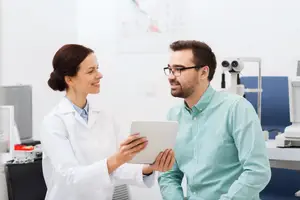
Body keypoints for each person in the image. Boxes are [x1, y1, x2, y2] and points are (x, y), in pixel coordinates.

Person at [40, 44, 175, 200]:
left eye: (97, 68)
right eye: (91, 71)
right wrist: (117, 159)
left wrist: (149, 168)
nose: (100, 75)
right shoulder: (54, 122)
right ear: (70, 79)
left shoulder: (104, 117)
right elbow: (70, 178)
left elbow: (113, 170)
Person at [158, 40, 271, 200]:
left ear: (204, 72)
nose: (171, 77)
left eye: (179, 70)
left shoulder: (236, 108)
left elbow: (258, 171)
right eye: (169, 70)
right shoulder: (173, 116)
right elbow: (168, 174)